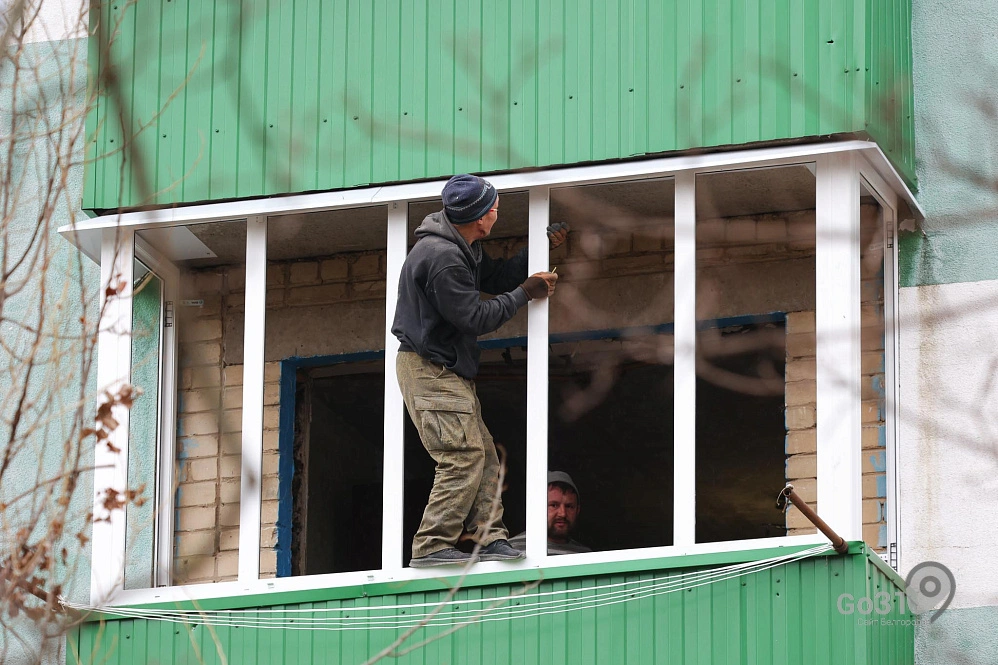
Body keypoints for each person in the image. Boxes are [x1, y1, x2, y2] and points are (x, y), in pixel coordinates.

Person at [393, 174, 563, 568]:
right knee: (462, 456)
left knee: (483, 454)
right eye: (495, 208)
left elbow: (496, 277)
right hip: (430, 370)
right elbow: (474, 318)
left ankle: (489, 538)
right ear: (481, 218)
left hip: (445, 370)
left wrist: (536, 251)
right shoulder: (442, 258)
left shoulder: (460, 244)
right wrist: (526, 293)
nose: (497, 213)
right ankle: (431, 544)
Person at [509, 471, 592, 555]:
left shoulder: (585, 555)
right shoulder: (511, 550)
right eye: (554, 505)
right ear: (536, 508)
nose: (562, 514)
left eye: (569, 506)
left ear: (577, 510)